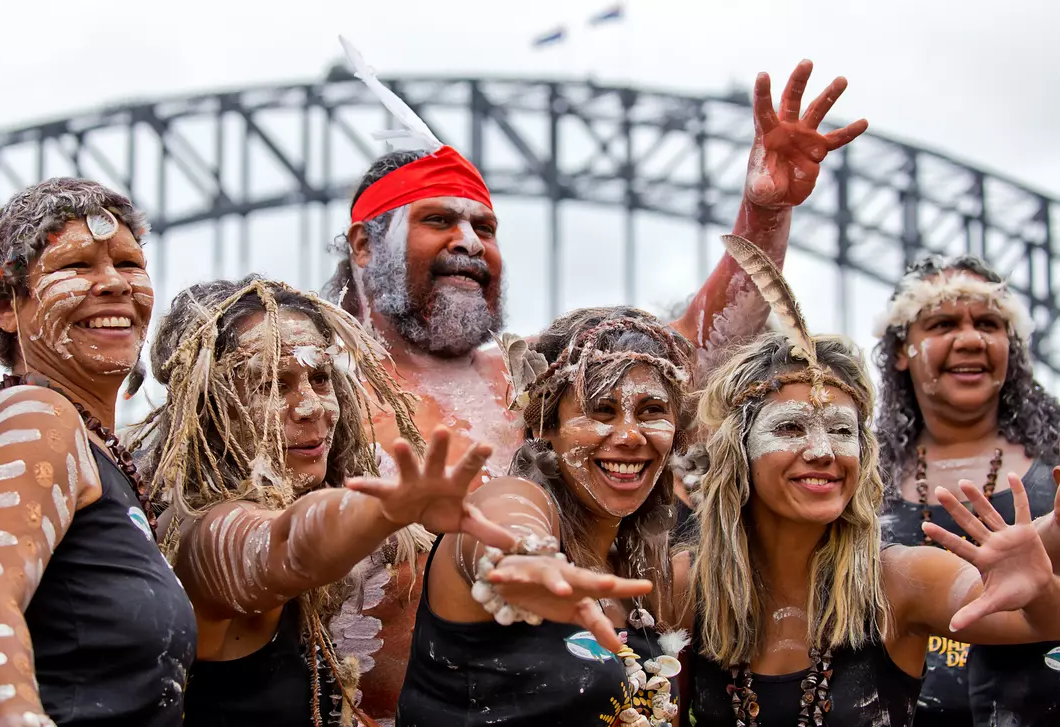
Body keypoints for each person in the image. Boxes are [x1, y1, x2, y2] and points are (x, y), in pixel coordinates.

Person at [323, 37, 870, 720]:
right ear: (364, 243)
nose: (469, 241)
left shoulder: (536, 382)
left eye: (485, 226)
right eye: (439, 220)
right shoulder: (315, 391)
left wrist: (764, 212)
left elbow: (688, 358)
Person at [678, 235, 1060, 726]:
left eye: (841, 432)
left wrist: (1042, 586)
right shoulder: (686, 586)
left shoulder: (900, 578)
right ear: (737, 452)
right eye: (791, 427)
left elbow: (1039, 620)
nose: (822, 452)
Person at [129, 275, 528, 727]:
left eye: (319, 379)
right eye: (272, 385)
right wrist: (381, 512)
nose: (311, 407)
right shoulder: (198, 535)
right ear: (209, 408)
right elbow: (283, 545)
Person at [380, 306, 696, 727]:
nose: (628, 436)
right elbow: (508, 523)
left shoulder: (648, 575)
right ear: (546, 424)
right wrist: (526, 560)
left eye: (652, 410)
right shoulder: (513, 498)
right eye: (601, 410)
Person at [0, 178, 195, 726]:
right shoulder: (35, 416)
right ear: (6, 308)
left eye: (128, 263)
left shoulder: (95, 449)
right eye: (75, 266)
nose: (114, 284)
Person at [873, 255, 1060, 726]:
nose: (972, 339)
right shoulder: (853, 478)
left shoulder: (1057, 462)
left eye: (989, 323)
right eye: (942, 323)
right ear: (901, 349)